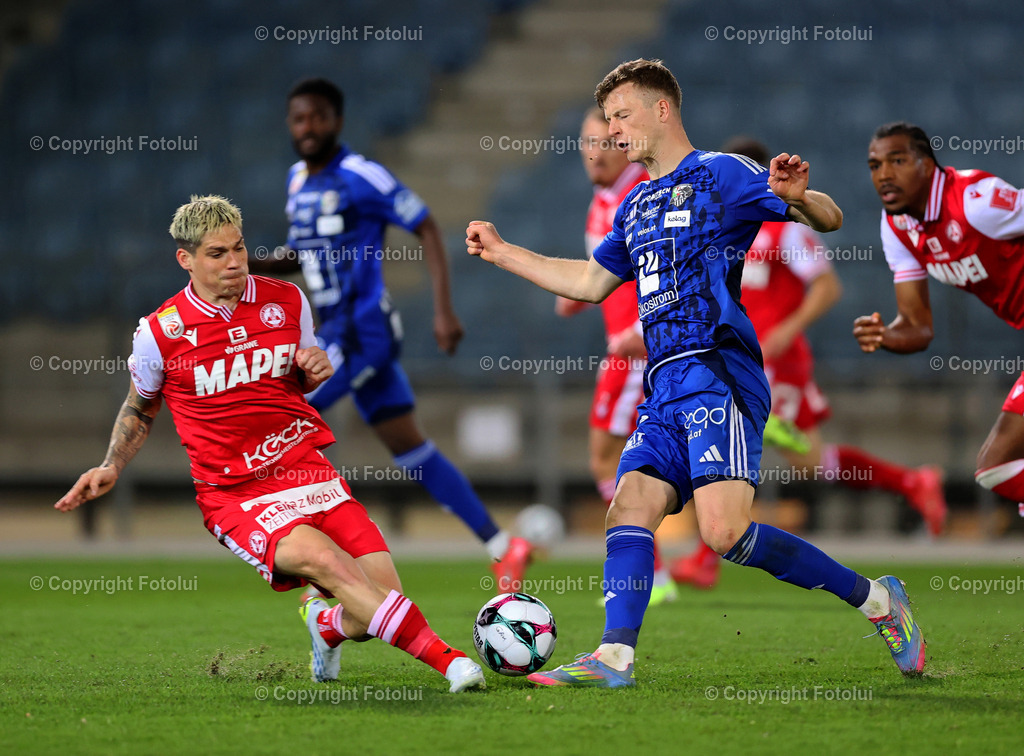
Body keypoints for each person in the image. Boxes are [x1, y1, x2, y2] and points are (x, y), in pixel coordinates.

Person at [466, 59, 925, 687]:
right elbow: (589, 281)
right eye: (607, 120)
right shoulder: (635, 204)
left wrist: (800, 199)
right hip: (663, 383)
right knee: (629, 508)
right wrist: (502, 252)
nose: (613, 132)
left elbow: (829, 217)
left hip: (717, 373)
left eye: (622, 116)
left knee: (723, 532)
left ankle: (876, 599)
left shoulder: (720, 173)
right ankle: (614, 658)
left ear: (662, 110)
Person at [55, 196, 485, 693]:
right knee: (326, 563)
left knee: (378, 602)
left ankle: (326, 627)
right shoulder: (159, 333)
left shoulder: (287, 300)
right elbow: (141, 406)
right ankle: (451, 662)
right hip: (236, 492)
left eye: (238, 248)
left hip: (305, 468)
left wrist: (314, 370)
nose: (234, 262)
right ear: (185, 259)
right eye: (217, 253)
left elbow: (298, 379)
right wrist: (111, 464)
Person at [257, 77, 531, 589]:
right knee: (409, 446)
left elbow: (425, 225)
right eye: (299, 118)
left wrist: (443, 311)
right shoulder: (297, 181)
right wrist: (248, 265)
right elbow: (301, 253)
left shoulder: (362, 176)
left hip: (361, 333)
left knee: (287, 421)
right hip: (336, 331)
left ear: (337, 121)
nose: (308, 127)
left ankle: (321, 571)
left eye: (318, 116)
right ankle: (503, 545)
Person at [671, 137, 949, 590]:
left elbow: (827, 287)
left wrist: (786, 330)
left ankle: (707, 557)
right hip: (744, 356)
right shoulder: (723, 227)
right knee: (811, 463)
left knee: (726, 444)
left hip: (774, 360)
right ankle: (912, 482)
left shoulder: (783, 227)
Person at [856, 121, 1024, 514]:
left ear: (927, 165)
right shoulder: (897, 226)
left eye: (897, 161)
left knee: (997, 463)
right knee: (999, 468)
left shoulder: (975, 200)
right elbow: (917, 327)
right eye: (875, 165)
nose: (884, 174)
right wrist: (885, 336)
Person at [556, 107, 680, 604]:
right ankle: (657, 570)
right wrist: (576, 295)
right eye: (587, 142)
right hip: (624, 349)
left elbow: (671, 264)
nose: (595, 152)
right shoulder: (602, 200)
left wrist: (640, 329)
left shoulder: (642, 193)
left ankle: (653, 573)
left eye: (606, 142)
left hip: (639, 349)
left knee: (610, 460)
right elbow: (605, 269)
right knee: (619, 460)